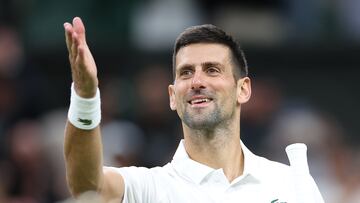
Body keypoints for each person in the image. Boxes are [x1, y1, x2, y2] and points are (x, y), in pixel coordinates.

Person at [63, 17, 324, 202]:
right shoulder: (148, 188)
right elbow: (87, 186)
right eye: (186, 73)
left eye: (212, 70)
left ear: (243, 89)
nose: (197, 82)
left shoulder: (290, 184)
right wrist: (86, 96)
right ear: (173, 96)